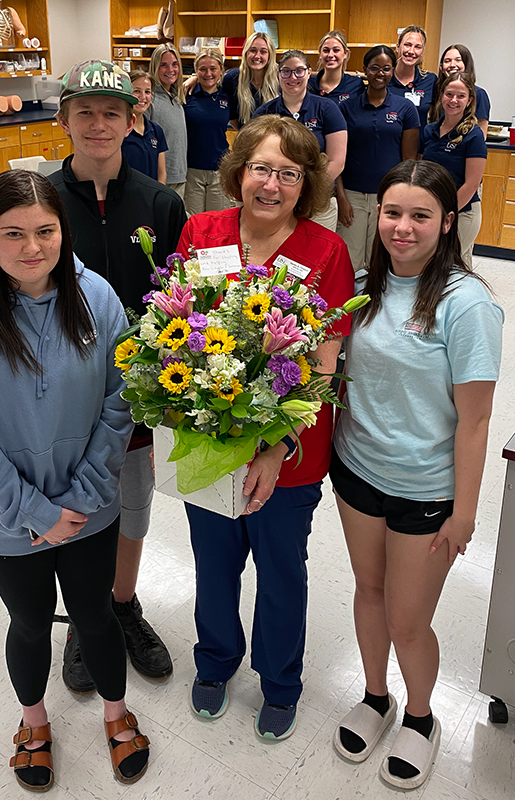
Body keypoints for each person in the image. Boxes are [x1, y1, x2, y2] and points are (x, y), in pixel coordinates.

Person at [0, 169, 151, 790]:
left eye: (45, 231)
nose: (32, 247)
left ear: (63, 231)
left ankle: (116, 712)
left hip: (89, 507)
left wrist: (78, 498)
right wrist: (35, 511)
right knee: (28, 622)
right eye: (12, 233)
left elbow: (120, 399)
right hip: (2, 521)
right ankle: (33, 721)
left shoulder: (96, 297)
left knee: (96, 616)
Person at [177, 115, 354, 740]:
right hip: (211, 441)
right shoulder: (201, 233)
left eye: (287, 173)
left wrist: (278, 447)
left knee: (281, 572)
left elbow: (323, 367)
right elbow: (178, 338)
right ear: (238, 173)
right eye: (261, 169)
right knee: (213, 564)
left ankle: (280, 683)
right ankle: (216, 662)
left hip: (290, 455)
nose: (271, 185)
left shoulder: (324, 251)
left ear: (304, 184)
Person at [331, 159, 503, 790]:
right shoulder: (364, 285)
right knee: (368, 592)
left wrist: (465, 513)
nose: (402, 228)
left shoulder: (466, 304)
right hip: (356, 472)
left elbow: (476, 422)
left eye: (420, 216)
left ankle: (422, 718)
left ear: (447, 221)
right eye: (393, 213)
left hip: (427, 490)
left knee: (409, 618)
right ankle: (376, 698)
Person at [51, 60, 186, 691]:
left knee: (132, 511)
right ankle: (84, 618)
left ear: (134, 120)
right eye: (86, 111)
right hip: (65, 402)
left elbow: (188, 301)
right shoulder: (43, 206)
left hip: (140, 403)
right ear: (65, 119)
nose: (98, 125)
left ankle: (123, 604)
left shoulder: (161, 204)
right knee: (77, 510)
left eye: (112, 112)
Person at [336, 45, 420, 271]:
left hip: (387, 198)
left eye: (386, 68)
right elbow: (337, 158)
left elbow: (408, 162)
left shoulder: (405, 108)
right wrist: (341, 197)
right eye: (374, 68)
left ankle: (377, 306)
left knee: (380, 260)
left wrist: (401, 202)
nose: (380, 74)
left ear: (393, 70)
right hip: (351, 197)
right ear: (364, 70)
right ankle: (349, 307)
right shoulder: (346, 108)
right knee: (349, 262)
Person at [254, 49, 347, 231]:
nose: (292, 77)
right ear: (278, 74)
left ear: (309, 72)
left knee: (317, 254)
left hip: (318, 202)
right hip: (275, 199)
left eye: (299, 70)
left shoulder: (327, 109)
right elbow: (256, 158)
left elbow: (337, 161)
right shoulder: (264, 113)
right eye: (286, 71)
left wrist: (307, 190)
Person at [421, 72, 487, 266]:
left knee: (450, 267)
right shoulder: (429, 131)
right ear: (442, 95)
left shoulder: (473, 136)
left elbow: (472, 183)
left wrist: (446, 214)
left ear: (469, 100)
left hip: (462, 212)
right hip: (433, 211)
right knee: (430, 265)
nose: (454, 100)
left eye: (461, 96)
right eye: (449, 94)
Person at [183, 48, 231, 215]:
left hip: (219, 169)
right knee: (193, 222)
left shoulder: (228, 94)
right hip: (192, 170)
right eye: (202, 69)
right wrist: (192, 79)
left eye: (213, 68)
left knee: (217, 222)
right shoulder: (186, 94)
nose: (208, 73)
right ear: (196, 70)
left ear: (221, 70)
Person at [148, 43, 188, 199]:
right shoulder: (150, 100)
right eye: (163, 65)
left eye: (174, 64)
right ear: (155, 67)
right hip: (161, 179)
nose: (170, 70)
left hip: (180, 176)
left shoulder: (176, 97)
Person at [431, 44, 491, 139]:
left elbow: (481, 134)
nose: (452, 65)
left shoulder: (479, 94)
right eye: (447, 61)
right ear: (441, 68)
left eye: (458, 60)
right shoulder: (437, 91)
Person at [222, 31, 279, 129]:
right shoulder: (233, 78)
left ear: (270, 55)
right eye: (253, 50)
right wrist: (195, 78)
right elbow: (233, 118)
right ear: (245, 53)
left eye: (263, 51)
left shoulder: (280, 79)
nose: (257, 56)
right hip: (246, 139)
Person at [121, 70, 167, 183]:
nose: (143, 97)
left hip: (152, 197)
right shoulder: (119, 130)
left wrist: (160, 196)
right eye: (136, 91)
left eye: (147, 92)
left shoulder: (156, 130)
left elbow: (162, 173)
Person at [388, 25, 436, 130]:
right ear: (397, 47)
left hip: (419, 144)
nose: (411, 51)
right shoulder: (384, 79)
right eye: (407, 45)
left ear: (423, 51)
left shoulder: (430, 80)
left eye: (417, 47)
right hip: (389, 144)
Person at [307, 29, 365, 105]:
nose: (330, 55)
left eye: (336, 50)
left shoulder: (355, 85)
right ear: (320, 54)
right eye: (326, 50)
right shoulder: (308, 84)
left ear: (345, 53)